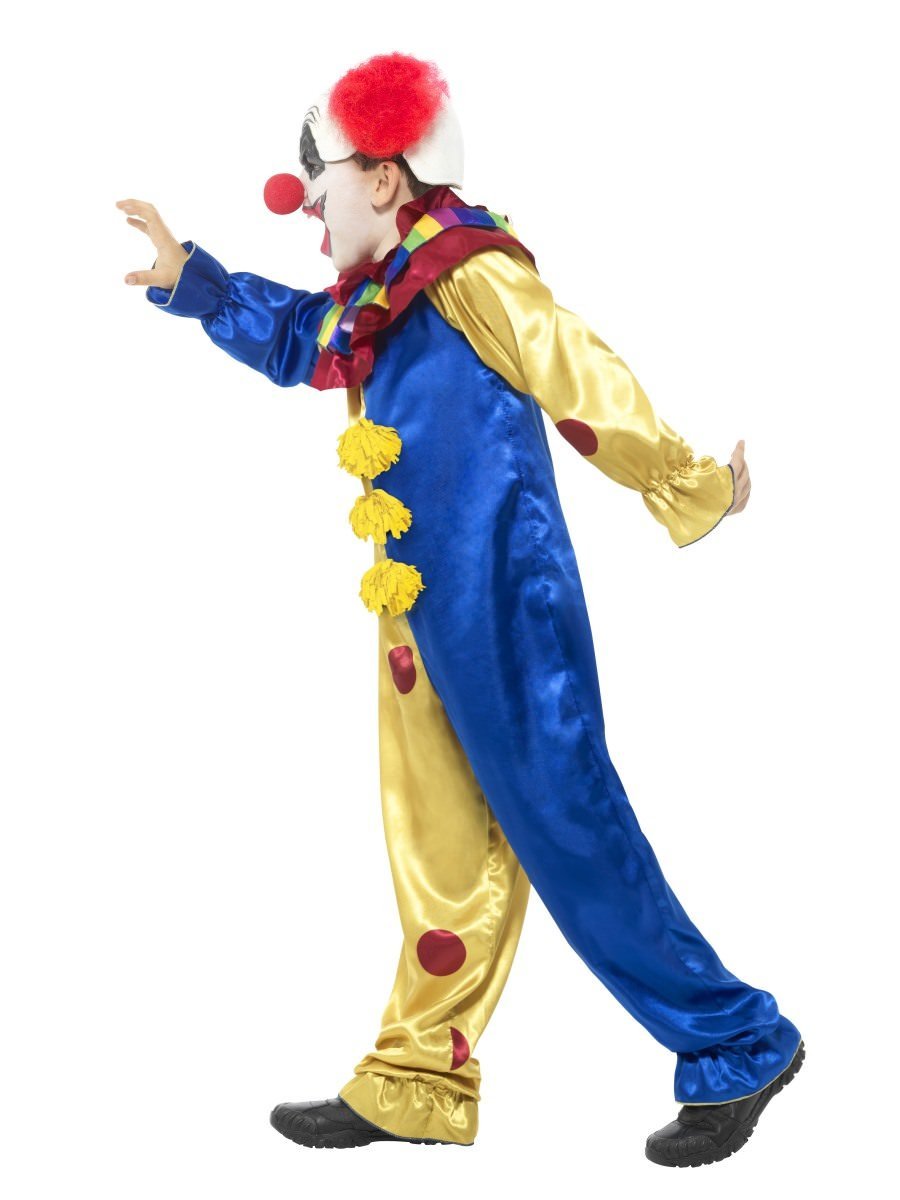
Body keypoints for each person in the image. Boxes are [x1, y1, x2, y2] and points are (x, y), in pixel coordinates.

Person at [117, 51, 804, 1168]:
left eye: (323, 189)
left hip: (504, 604)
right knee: (438, 842)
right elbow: (297, 341)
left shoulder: (466, 271)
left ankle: (739, 1040)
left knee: (569, 830)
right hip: (420, 613)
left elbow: (579, 375)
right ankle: (416, 1080)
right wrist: (193, 278)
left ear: (384, 179)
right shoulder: (380, 298)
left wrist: (688, 484)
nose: (308, 210)